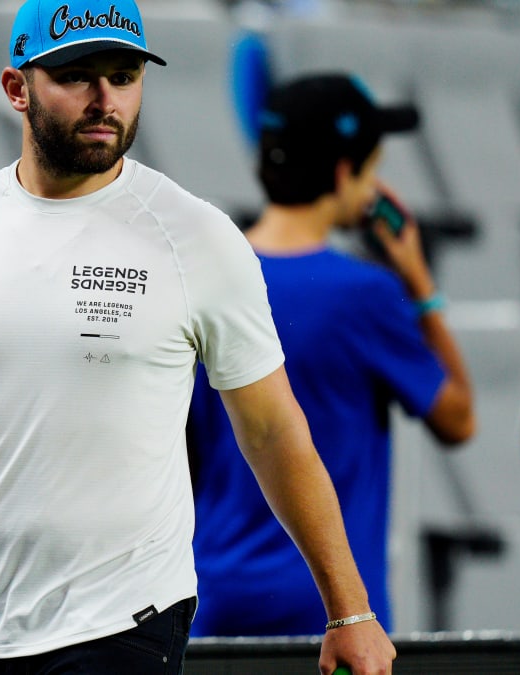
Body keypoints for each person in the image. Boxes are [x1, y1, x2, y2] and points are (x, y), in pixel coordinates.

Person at [0, 1, 396, 674]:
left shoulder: (197, 237)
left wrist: (348, 608)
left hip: (126, 619)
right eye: (76, 76)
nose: (104, 99)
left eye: (123, 76)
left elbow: (273, 430)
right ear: (16, 88)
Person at [187, 73, 476, 637]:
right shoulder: (365, 295)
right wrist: (417, 278)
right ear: (345, 173)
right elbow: (458, 418)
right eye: (371, 170)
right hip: (327, 606)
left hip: (212, 595)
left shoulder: (202, 276)